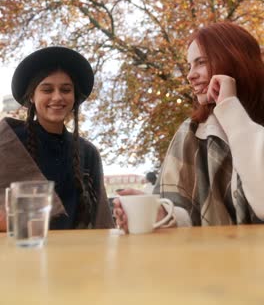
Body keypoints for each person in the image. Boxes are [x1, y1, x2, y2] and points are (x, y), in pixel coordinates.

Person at [114, 22, 264, 231]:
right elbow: (182, 211)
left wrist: (230, 109)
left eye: (201, 62)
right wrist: (161, 215)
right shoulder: (192, 132)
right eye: (189, 66)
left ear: (235, 60)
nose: (190, 75)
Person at [0, 46, 114, 230]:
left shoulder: (88, 152)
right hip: (18, 253)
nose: (57, 97)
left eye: (66, 90)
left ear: (74, 96)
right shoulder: (7, 142)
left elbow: (100, 218)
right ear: (31, 96)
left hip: (78, 255)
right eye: (47, 90)